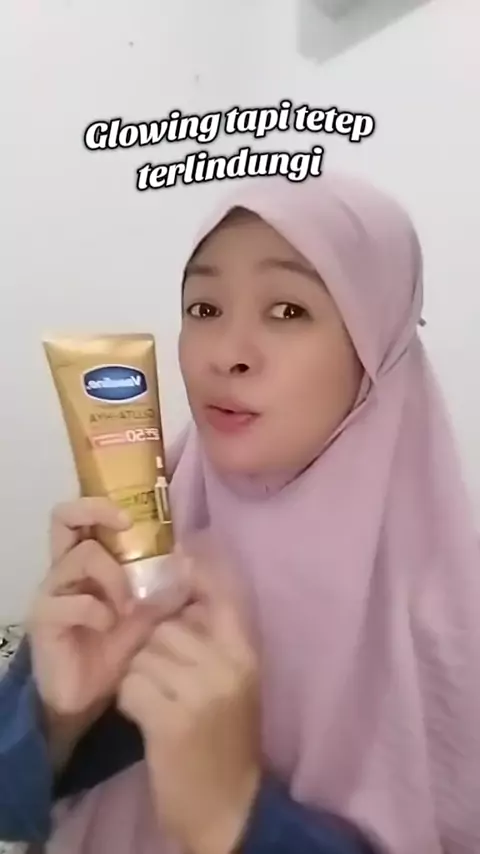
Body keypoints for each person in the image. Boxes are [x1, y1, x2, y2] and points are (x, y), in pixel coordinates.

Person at [2, 170, 480, 853]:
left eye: (288, 311)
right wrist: (54, 722)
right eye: (203, 308)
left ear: (376, 346)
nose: (226, 355)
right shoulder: (137, 531)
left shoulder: (450, 613)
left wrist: (231, 815)